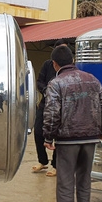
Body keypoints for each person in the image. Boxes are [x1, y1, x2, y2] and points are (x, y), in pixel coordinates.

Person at [42, 45, 102, 202]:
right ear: (73, 60)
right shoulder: (92, 80)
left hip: (67, 139)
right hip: (91, 137)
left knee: (65, 177)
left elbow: (52, 113)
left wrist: (48, 137)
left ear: (55, 64)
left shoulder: (56, 83)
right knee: (84, 174)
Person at [32, 39, 66, 177]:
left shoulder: (68, 68)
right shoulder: (48, 65)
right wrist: (46, 90)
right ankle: (42, 160)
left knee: (59, 135)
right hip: (45, 103)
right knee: (38, 132)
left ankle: (56, 165)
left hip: (62, 106)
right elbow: (39, 81)